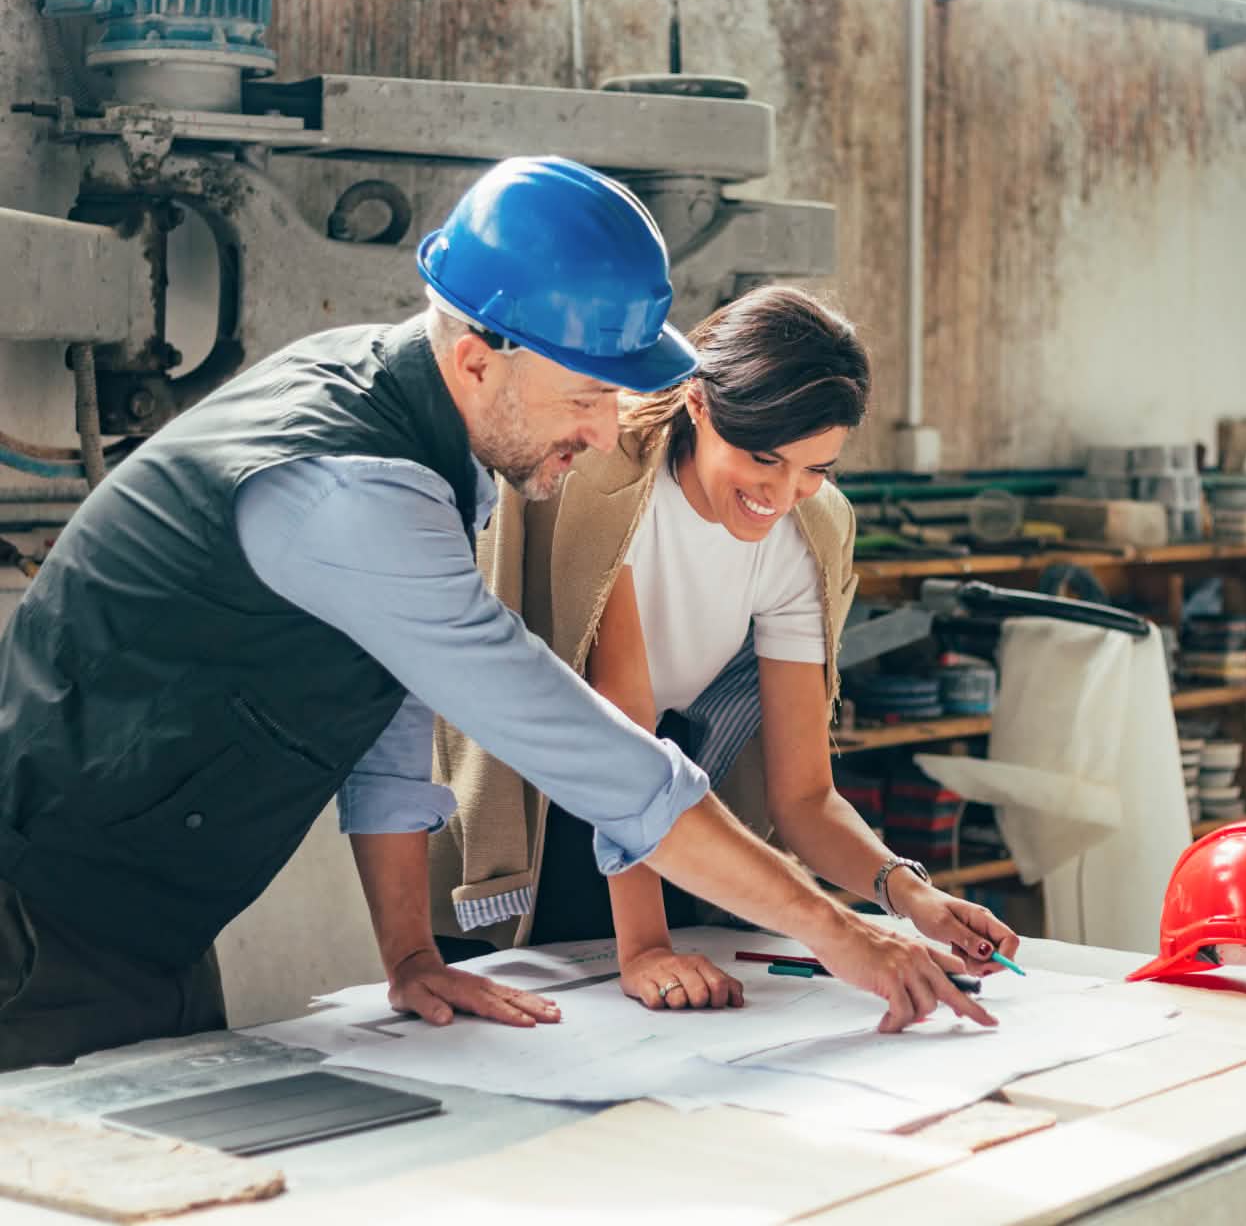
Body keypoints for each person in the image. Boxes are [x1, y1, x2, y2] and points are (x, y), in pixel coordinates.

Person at [0, 156, 997, 1074]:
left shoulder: (423, 430)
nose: (606, 432)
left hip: (153, 929)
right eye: (588, 395)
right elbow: (584, 747)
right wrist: (842, 933)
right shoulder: (357, 488)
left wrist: (410, 953)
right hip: (40, 930)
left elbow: (386, 699)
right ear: (480, 361)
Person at [428, 284, 1020, 1009]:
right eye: (764, 457)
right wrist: (645, 949)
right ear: (699, 407)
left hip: (671, 815)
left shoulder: (811, 532)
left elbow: (802, 796)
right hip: (549, 810)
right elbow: (623, 743)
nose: (784, 492)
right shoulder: (611, 489)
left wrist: (909, 894)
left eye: (817, 468)